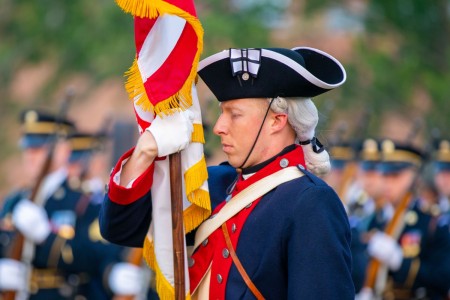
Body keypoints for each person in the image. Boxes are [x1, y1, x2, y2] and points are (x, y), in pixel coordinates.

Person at [100, 46, 354, 298]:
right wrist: (145, 151)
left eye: (235, 114)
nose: (220, 127)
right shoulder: (216, 184)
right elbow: (120, 229)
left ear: (277, 120)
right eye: (222, 112)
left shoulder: (311, 202)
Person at [0, 109, 145, 299]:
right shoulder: (15, 201)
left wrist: (46, 236)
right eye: (28, 148)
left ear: (62, 150)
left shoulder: (82, 200)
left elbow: (94, 256)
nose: (30, 155)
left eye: (38, 148)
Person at [354, 139, 450, 299]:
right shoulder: (374, 221)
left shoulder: (431, 222)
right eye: (385, 175)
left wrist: (399, 261)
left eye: (396, 176)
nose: (388, 183)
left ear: (414, 177)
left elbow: (442, 279)